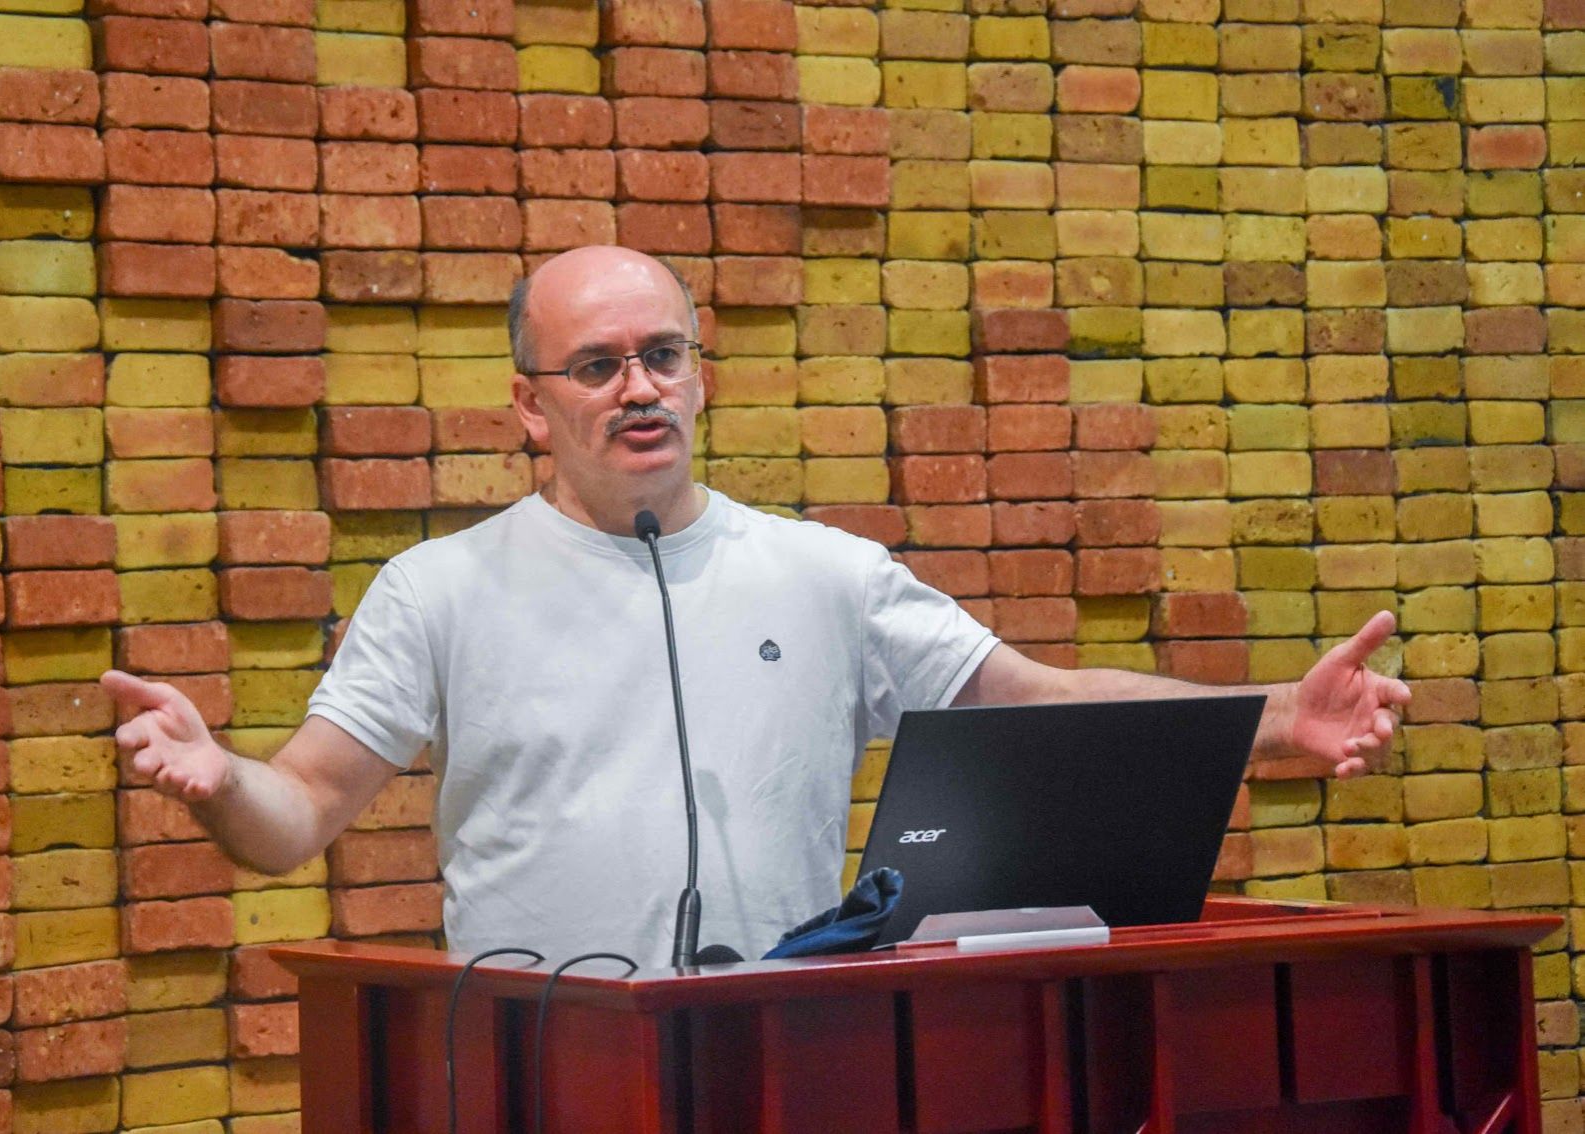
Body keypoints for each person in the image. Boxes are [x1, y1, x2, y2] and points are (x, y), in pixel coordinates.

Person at [102, 246, 1410, 966]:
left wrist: (1277, 716)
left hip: (786, 1051)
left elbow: (1043, 702)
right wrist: (221, 780)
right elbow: (300, 812)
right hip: (541, 1061)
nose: (638, 387)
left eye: (662, 355)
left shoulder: (824, 571)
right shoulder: (440, 587)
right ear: (529, 406)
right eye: (596, 364)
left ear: (700, 378)